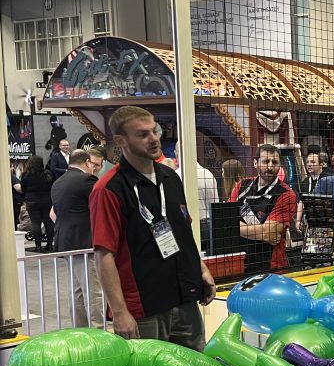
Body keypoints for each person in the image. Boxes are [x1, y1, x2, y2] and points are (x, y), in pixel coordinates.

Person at [89, 105, 216, 349]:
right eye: (142, 134)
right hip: (144, 308)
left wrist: (201, 270)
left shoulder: (170, 177)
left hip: (184, 297)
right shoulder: (108, 189)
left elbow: (183, 232)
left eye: (154, 131)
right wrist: (120, 312)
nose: (153, 138)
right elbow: (104, 255)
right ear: (121, 141)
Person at [50, 148, 104, 325]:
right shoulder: (87, 180)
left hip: (65, 242)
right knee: (93, 291)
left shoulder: (57, 183)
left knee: (77, 290)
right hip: (84, 241)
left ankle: (79, 329)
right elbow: (103, 205)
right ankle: (98, 330)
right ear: (87, 162)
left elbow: (53, 213)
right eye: (93, 164)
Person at [227, 144, 298, 273]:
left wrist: (233, 228)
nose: (270, 167)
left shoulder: (287, 194)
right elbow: (225, 221)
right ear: (255, 163)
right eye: (265, 161)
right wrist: (260, 231)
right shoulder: (242, 186)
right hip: (239, 262)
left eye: (274, 162)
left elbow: (268, 232)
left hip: (270, 266)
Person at [19, 155, 54, 252]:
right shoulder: (47, 174)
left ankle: (38, 246)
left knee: (35, 223)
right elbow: (52, 186)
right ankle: (50, 245)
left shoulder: (25, 174)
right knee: (48, 222)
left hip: (32, 201)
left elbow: (23, 188)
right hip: (47, 200)